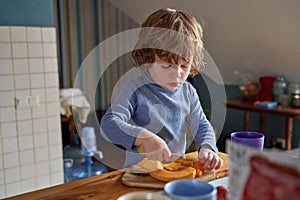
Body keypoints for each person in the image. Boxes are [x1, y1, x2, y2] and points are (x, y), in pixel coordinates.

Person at [100, 8, 223, 171]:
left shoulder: (188, 92)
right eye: (166, 66)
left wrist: (207, 147)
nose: (177, 74)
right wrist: (144, 138)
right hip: (138, 174)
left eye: (184, 66)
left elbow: (201, 124)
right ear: (148, 58)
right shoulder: (135, 90)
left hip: (174, 170)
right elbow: (109, 125)